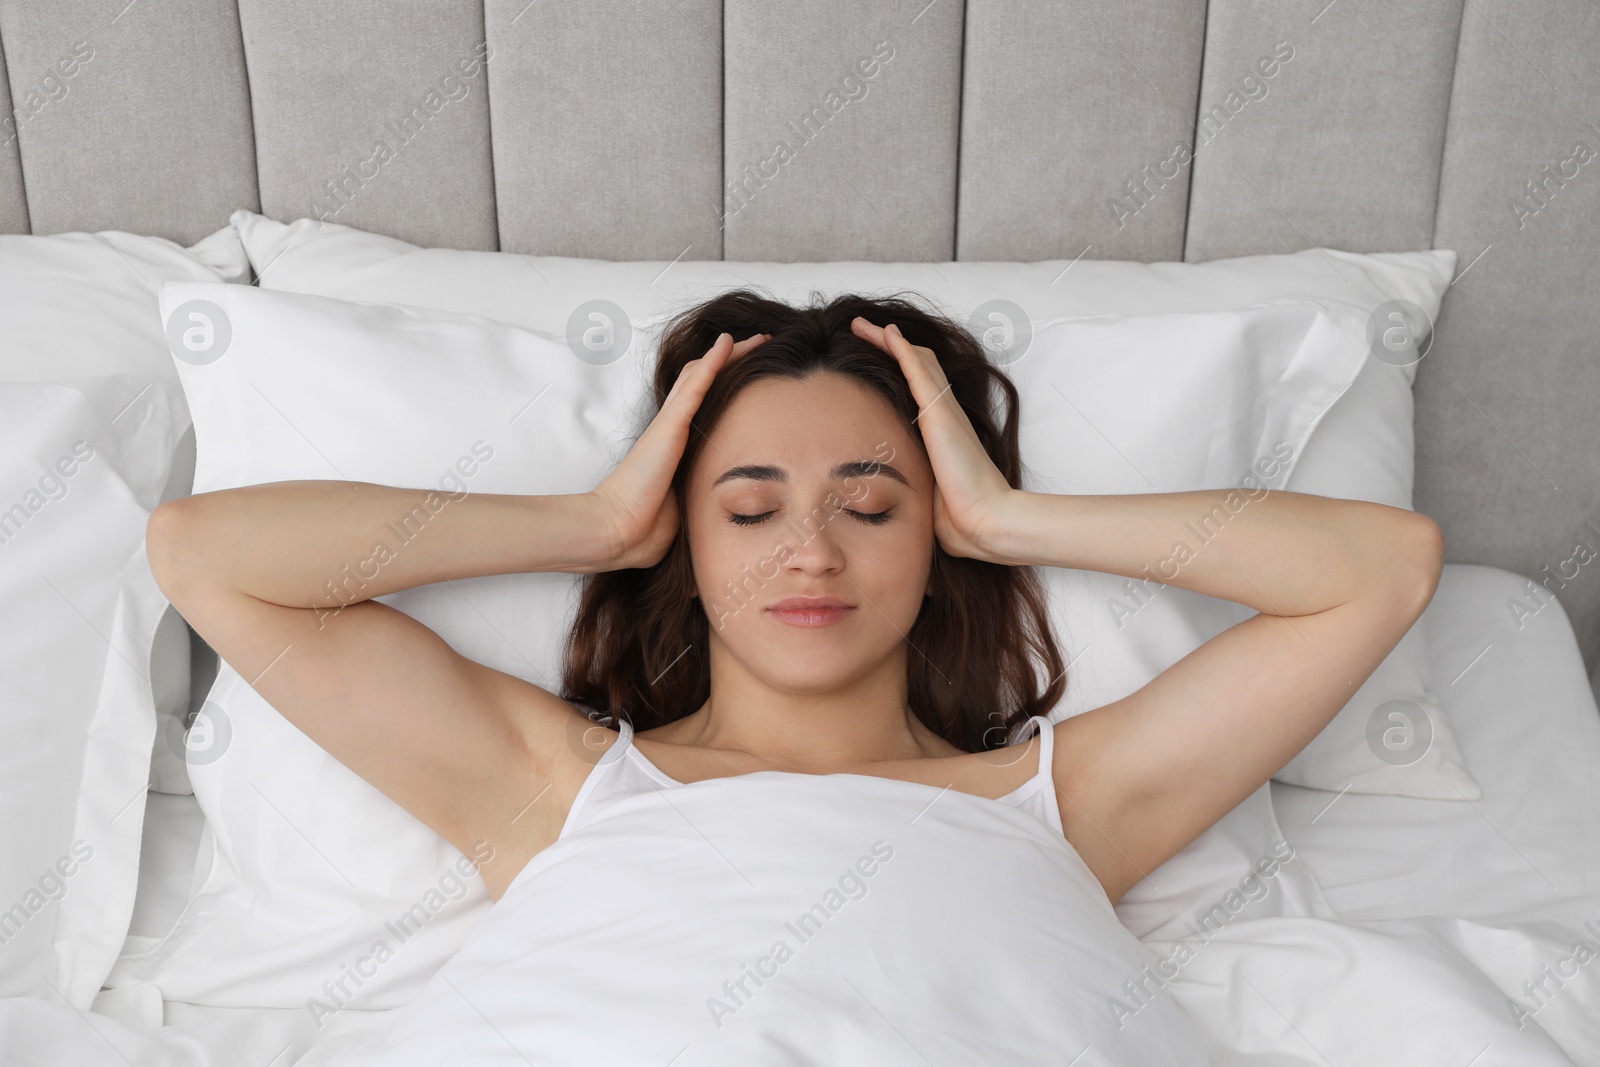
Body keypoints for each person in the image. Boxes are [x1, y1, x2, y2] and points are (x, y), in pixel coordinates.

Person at [145, 288, 1443, 1060]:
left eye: (872, 509)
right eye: (750, 510)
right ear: (685, 543)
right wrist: (591, 524)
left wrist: (1006, 519)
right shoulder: (554, 786)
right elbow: (206, 553)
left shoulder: (1070, 798)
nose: (810, 552)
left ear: (936, 545)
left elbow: (1381, 567)